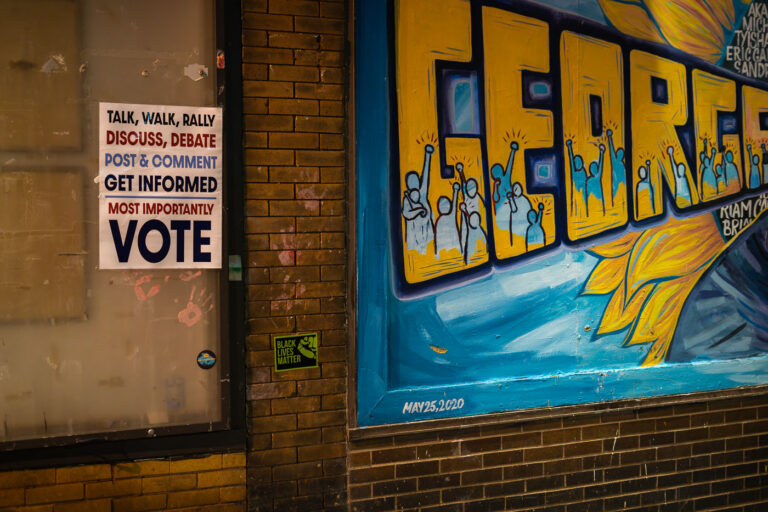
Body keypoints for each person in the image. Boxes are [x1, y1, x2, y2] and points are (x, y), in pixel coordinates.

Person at [401, 144, 435, 253]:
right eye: (412, 181)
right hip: (414, 234)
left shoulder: (422, 193)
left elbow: (425, 176)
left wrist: (428, 156)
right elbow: (406, 213)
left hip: (426, 230)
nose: (415, 182)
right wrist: (420, 210)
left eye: (416, 180)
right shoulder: (407, 200)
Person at [490, 141, 518, 231]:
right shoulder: (497, 185)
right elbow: (495, 199)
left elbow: (509, 165)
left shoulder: (506, 178)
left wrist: (513, 151)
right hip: (501, 213)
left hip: (510, 210)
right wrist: (495, 188)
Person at [434, 182, 462, 256]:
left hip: (444, 252)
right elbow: (454, 205)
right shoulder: (451, 216)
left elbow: (436, 240)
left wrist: (437, 253)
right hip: (454, 250)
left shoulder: (439, 221)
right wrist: (455, 190)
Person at [566, 139, 588, 217]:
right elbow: (571, 159)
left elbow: (586, 182)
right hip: (576, 193)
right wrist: (569, 147)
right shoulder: (574, 172)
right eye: (576, 162)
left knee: (584, 206)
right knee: (576, 207)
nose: (577, 163)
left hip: (583, 192)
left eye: (579, 162)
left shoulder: (583, 171)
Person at [506, 182, 533, 247]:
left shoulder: (519, 199)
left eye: (517, 189)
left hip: (520, 225)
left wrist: (510, 199)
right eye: (515, 189)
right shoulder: (524, 199)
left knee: (519, 241)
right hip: (523, 224)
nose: (516, 190)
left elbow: (514, 209)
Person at [606, 129, 626, 207]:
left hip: (620, 185)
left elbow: (624, 176)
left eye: (621, 154)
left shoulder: (622, 164)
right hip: (615, 184)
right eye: (618, 153)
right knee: (614, 198)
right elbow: (611, 149)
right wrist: (609, 137)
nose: (619, 155)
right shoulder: (615, 161)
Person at [586, 144, 607, 216]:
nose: (594, 169)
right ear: (590, 170)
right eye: (592, 167)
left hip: (599, 200)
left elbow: (601, 165)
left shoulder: (597, 177)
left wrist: (601, 153)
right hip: (593, 201)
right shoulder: (589, 180)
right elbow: (587, 193)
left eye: (595, 167)